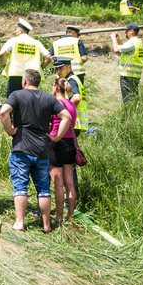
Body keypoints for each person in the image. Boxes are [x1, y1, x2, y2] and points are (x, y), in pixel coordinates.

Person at [0, 69, 73, 232]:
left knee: (20, 186)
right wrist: (56, 137)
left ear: (24, 82)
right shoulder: (48, 98)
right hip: (41, 150)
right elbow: (67, 116)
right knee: (43, 189)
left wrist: (10, 131)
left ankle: (20, 222)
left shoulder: (17, 95)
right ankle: (46, 225)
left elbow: (3, 112)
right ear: (38, 82)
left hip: (21, 148)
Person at [49, 77, 78, 225]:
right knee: (70, 183)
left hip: (57, 143)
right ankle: (70, 215)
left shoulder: (56, 104)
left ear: (55, 88)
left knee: (58, 184)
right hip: (70, 144)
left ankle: (59, 217)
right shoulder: (71, 105)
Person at [0, 18, 52, 97]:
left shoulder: (13, 40)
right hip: (31, 77)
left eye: (16, 29)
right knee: (29, 100)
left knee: (13, 99)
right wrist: (41, 67)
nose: (15, 31)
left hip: (15, 75)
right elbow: (48, 57)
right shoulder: (36, 42)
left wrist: (3, 64)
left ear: (20, 30)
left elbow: (2, 53)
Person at [110, 23, 143, 104]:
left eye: (126, 31)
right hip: (134, 75)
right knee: (133, 98)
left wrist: (113, 39)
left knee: (128, 100)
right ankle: (135, 114)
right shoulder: (138, 41)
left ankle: (129, 115)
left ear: (131, 31)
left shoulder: (132, 42)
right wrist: (119, 40)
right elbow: (123, 51)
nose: (125, 32)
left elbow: (116, 51)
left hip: (128, 75)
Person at [53, 56, 87, 135]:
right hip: (74, 123)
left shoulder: (71, 80)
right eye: (56, 69)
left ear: (69, 67)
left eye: (61, 68)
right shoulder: (71, 79)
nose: (58, 72)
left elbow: (77, 98)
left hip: (72, 122)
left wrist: (64, 112)